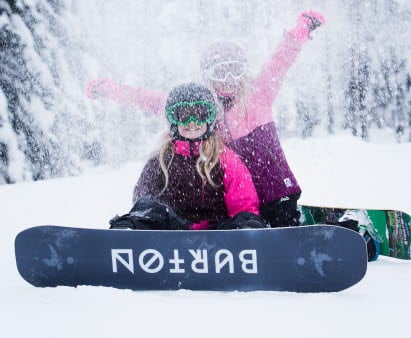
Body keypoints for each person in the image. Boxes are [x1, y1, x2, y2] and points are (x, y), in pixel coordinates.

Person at [88, 10, 325, 229]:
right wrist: (113, 91)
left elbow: (279, 62)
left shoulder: (257, 95)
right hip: (233, 201)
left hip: (273, 188)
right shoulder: (202, 108)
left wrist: (300, 31)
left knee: (277, 218)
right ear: (208, 76)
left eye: (235, 70)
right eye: (221, 72)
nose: (229, 79)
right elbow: (151, 100)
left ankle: (290, 230)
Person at [109, 82, 268, 231]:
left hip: (216, 234)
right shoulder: (161, 160)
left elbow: (243, 202)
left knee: (244, 218)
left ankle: (248, 233)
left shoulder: (225, 158)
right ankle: (128, 231)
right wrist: (144, 216)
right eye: (183, 115)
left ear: (210, 119)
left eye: (200, 114)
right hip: (172, 231)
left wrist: (247, 221)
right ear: (173, 121)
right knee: (150, 209)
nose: (192, 123)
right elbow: (144, 198)